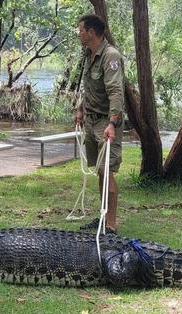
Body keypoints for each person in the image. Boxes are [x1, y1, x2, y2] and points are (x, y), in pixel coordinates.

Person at [74, 14, 125, 233]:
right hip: (91, 119)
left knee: (107, 171)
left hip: (106, 121)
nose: (79, 33)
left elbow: (116, 92)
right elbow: (88, 87)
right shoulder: (88, 54)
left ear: (91, 32)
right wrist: (80, 109)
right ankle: (103, 218)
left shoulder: (110, 56)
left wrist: (112, 123)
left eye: (81, 30)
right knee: (100, 172)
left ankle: (111, 226)